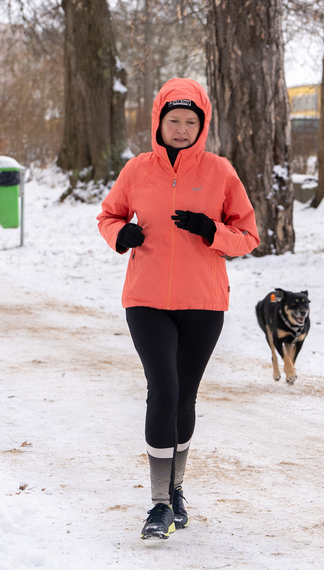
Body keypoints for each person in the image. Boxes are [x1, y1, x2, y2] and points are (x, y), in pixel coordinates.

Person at [97, 78, 259, 539]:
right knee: (162, 390)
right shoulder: (137, 170)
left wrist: (212, 231)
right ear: (159, 123)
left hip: (203, 303)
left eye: (191, 121)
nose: (182, 129)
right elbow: (109, 215)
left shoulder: (220, 172)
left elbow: (247, 236)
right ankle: (159, 504)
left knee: (184, 397)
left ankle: (176, 488)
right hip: (146, 300)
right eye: (174, 120)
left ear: (202, 126)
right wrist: (119, 235)